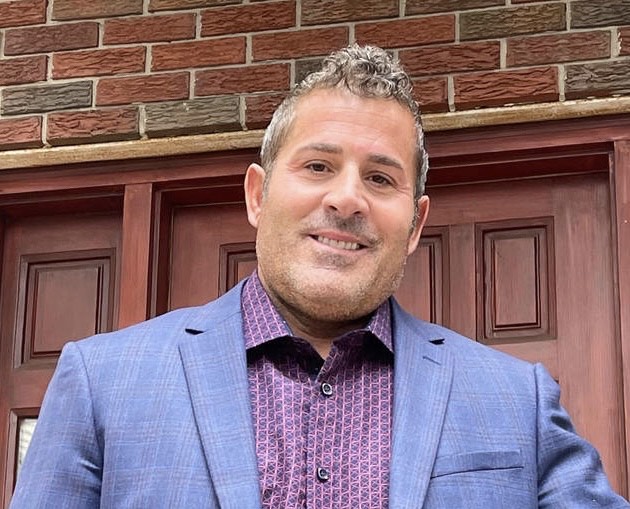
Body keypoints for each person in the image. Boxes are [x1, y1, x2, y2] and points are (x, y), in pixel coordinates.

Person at [10, 44, 629, 509]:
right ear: (258, 196)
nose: (347, 199)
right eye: (317, 166)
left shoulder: (517, 400)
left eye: (380, 178)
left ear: (416, 224)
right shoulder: (101, 383)